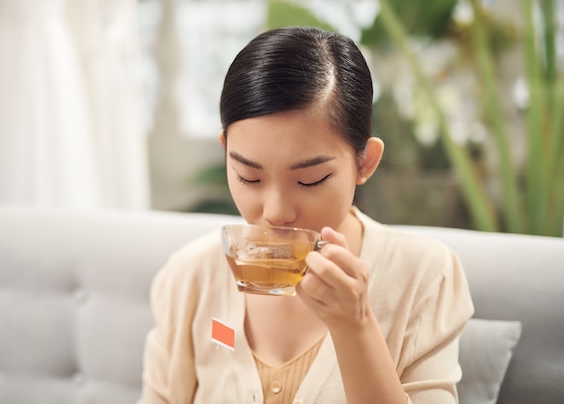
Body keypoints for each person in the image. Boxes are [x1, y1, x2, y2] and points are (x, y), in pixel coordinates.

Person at [138, 26, 474, 404]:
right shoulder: (189, 276)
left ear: (365, 162)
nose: (275, 212)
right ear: (226, 152)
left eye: (310, 180)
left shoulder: (423, 276)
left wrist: (355, 327)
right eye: (249, 176)